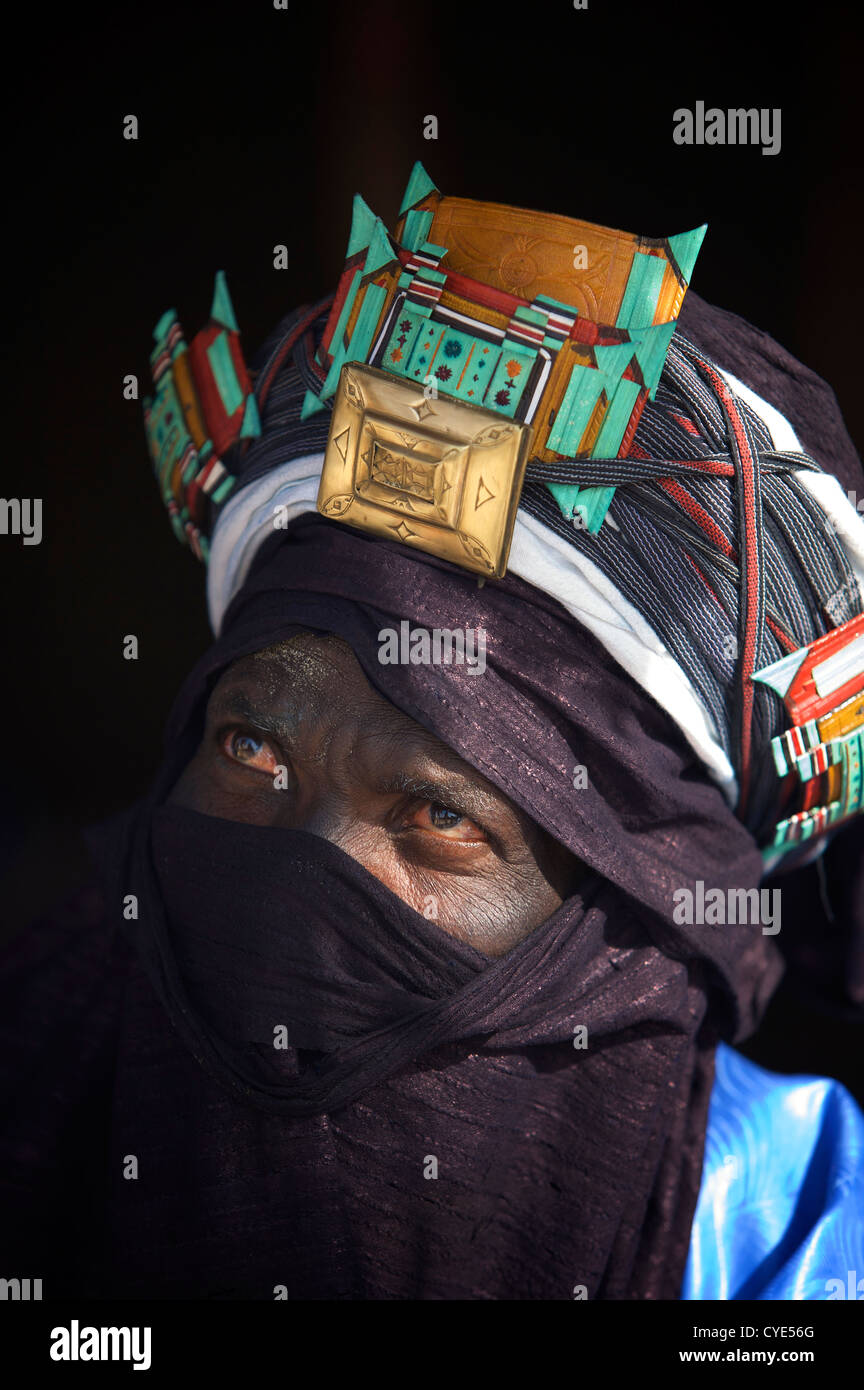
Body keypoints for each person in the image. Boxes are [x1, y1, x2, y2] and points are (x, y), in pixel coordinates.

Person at [1, 163, 862, 1301]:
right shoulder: (36, 1063)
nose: (300, 874)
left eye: (440, 813)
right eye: (252, 748)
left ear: (633, 921)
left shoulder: (794, 1237)